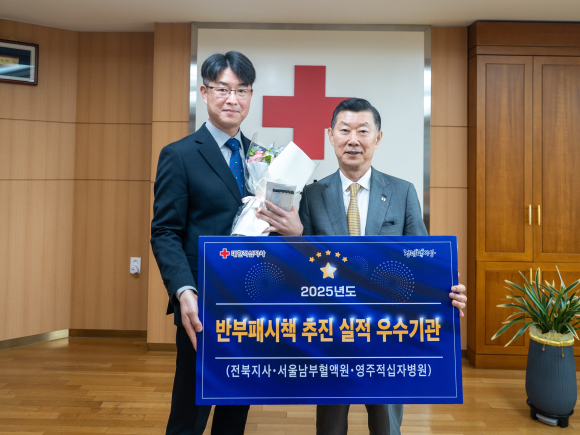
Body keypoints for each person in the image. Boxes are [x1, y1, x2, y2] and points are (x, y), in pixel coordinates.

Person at [292, 98, 467, 435]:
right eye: (344, 130)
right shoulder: (312, 196)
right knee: (330, 425)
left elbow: (423, 260)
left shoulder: (402, 192)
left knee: (385, 424)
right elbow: (302, 261)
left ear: (378, 138)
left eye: (362, 131)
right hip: (334, 329)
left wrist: (446, 291)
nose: (353, 140)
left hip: (388, 328)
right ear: (330, 136)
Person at [150, 51, 302, 435]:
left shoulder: (265, 157)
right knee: (190, 412)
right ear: (204, 93)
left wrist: (290, 227)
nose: (232, 99)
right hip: (202, 301)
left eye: (242, 90)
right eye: (222, 89)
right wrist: (183, 290)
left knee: (236, 407)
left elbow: (275, 228)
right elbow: (165, 231)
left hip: (253, 299)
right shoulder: (180, 154)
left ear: (251, 96)